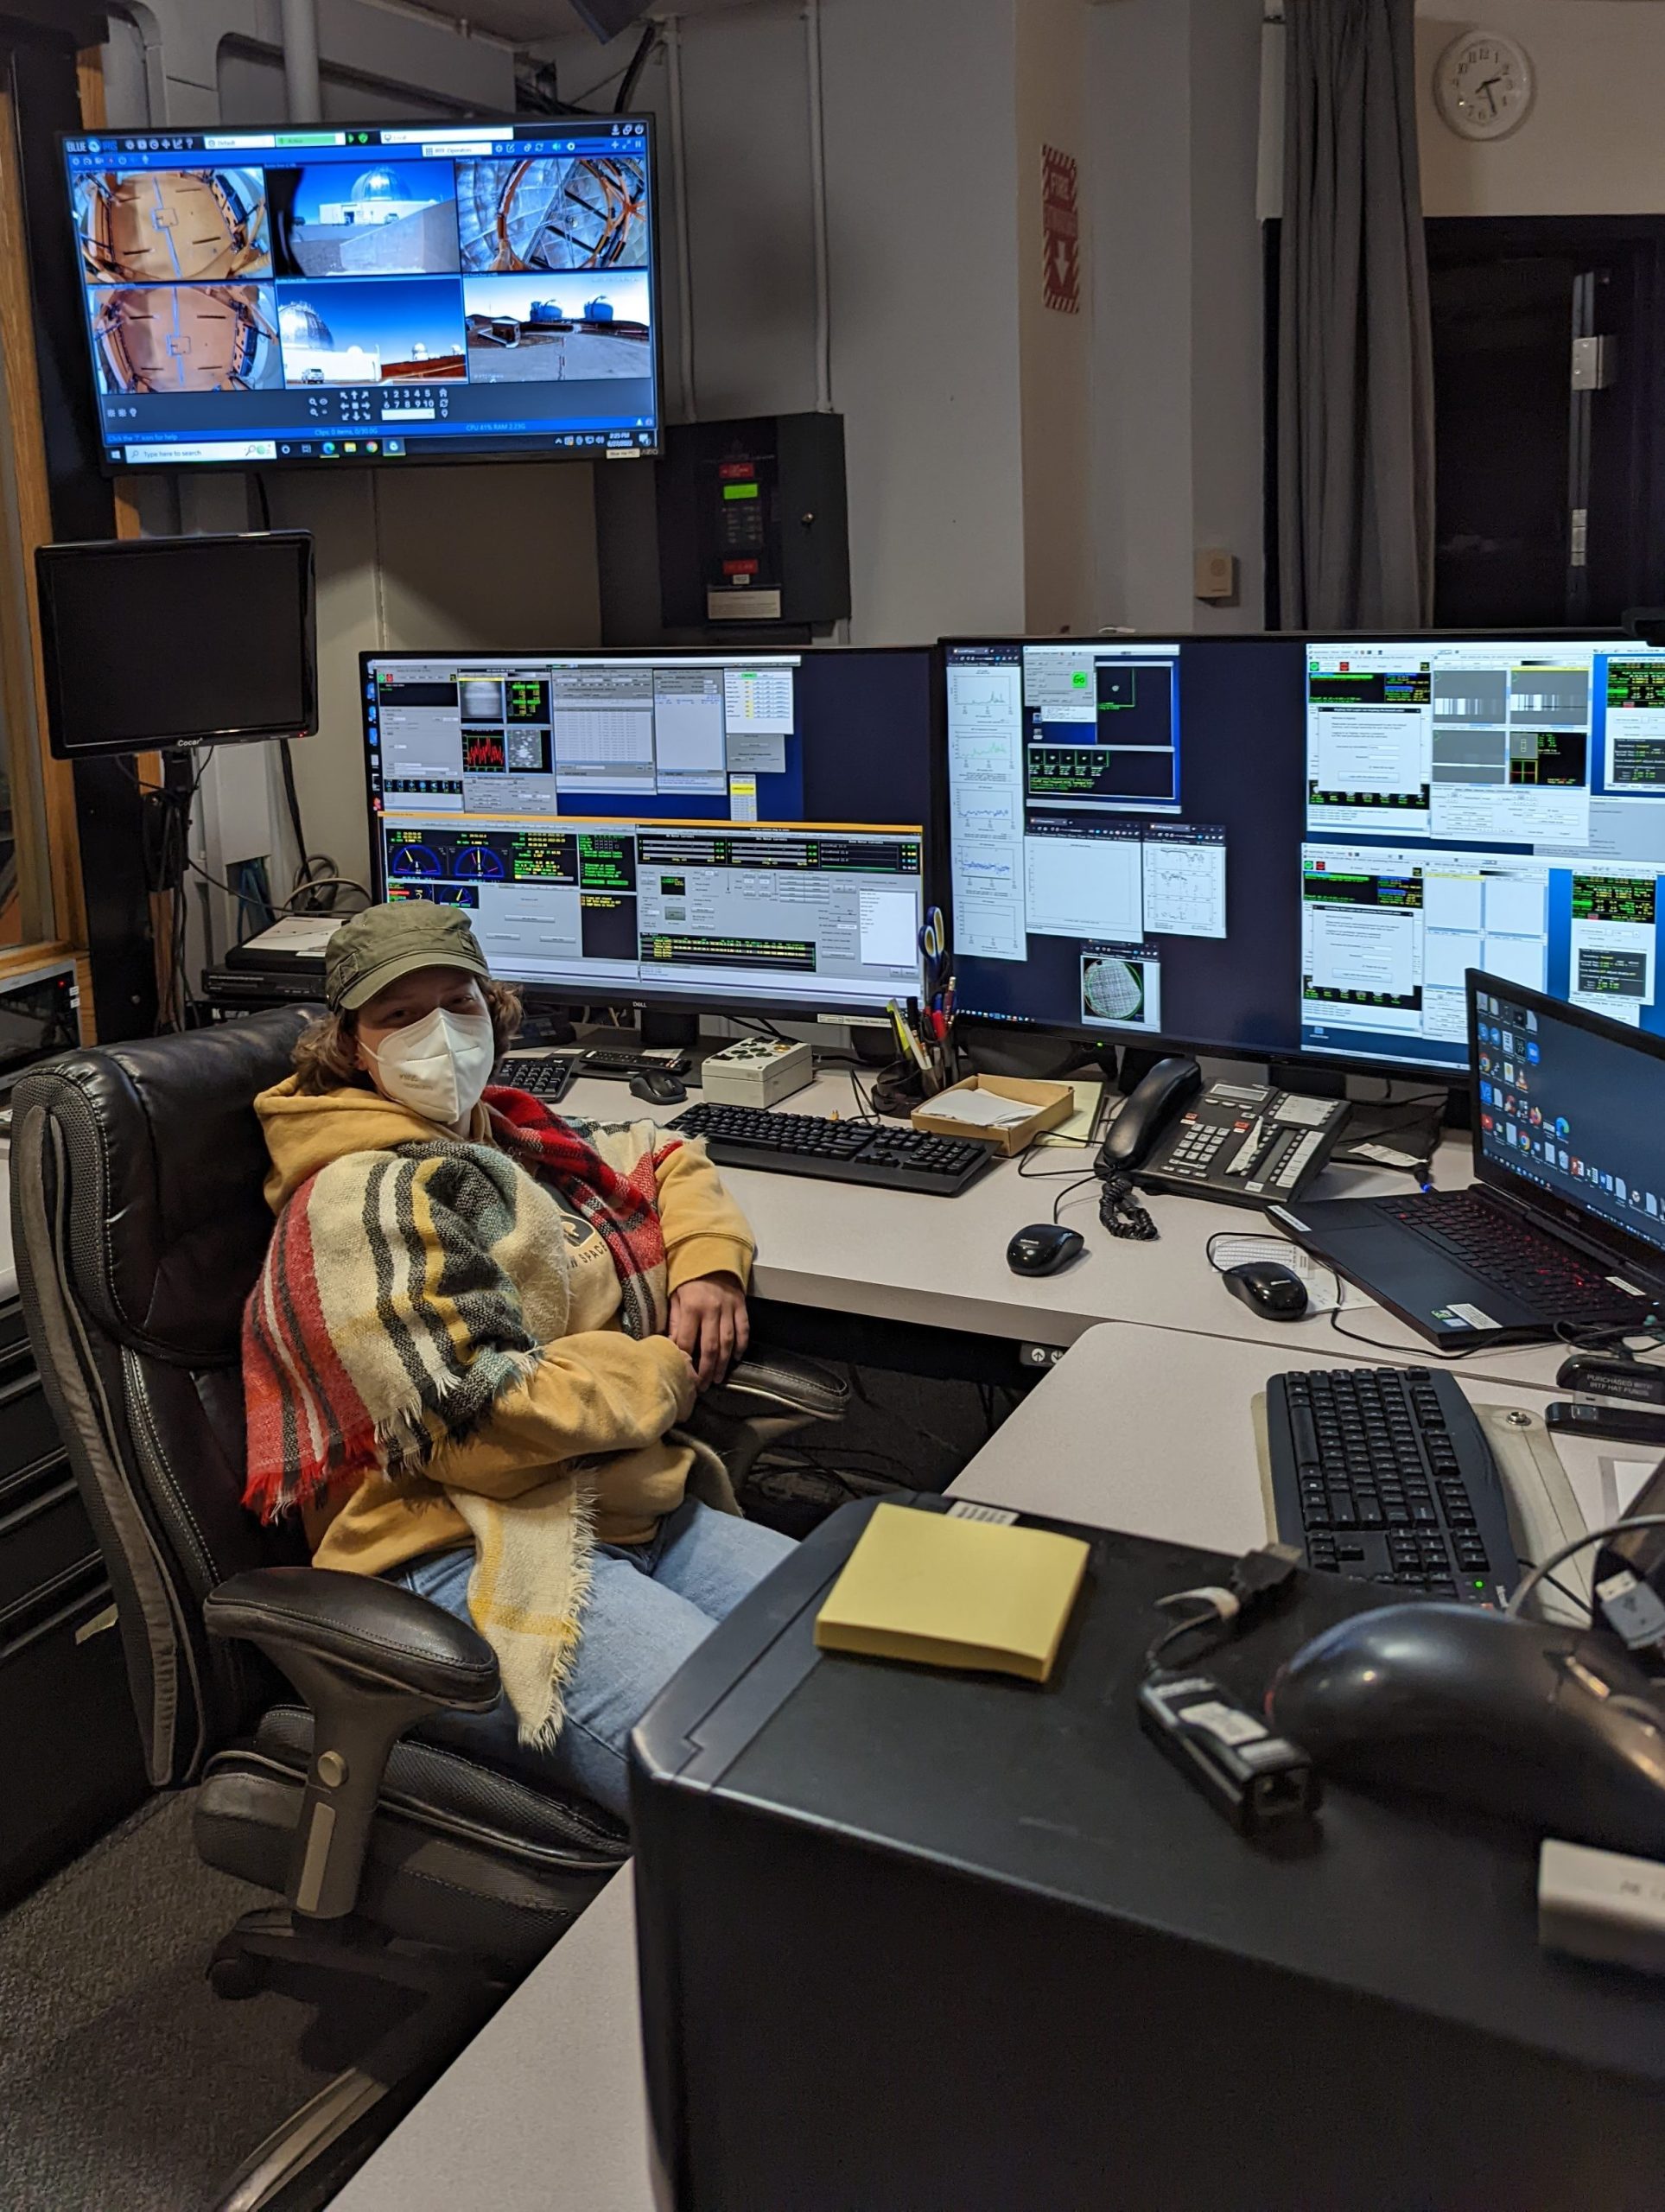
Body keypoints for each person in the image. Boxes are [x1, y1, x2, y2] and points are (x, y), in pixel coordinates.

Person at [241, 901, 795, 1819]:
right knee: (744, 1780)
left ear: (495, 1012)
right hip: (460, 1542)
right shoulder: (357, 1195)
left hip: (613, 1501)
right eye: (398, 1017)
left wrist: (709, 1267)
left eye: (456, 1004)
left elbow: (663, 1156)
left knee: (858, 1675)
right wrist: (658, 1365)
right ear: (348, 1046)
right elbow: (481, 1422)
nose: (437, 1036)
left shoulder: (500, 1136)